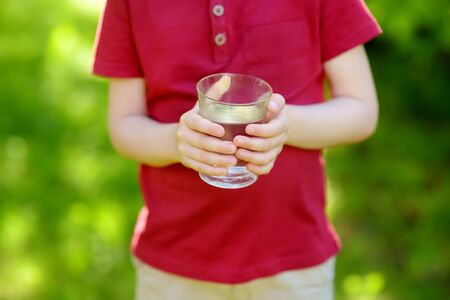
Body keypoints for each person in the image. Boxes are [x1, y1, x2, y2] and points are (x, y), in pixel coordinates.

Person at [93, 0, 381, 299]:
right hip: (175, 257)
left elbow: (361, 111)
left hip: (293, 255)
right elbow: (123, 124)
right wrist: (178, 142)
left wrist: (285, 125)